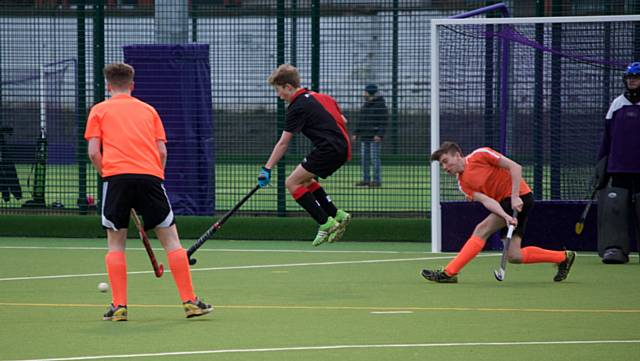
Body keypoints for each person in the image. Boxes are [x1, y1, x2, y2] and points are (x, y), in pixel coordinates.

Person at [84, 62, 212, 321]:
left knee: (116, 244)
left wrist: (107, 175)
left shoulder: (99, 110)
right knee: (172, 241)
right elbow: (162, 151)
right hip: (150, 177)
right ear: (132, 85)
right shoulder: (149, 110)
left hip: (116, 179)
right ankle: (190, 301)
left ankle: (119, 306)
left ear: (108, 85)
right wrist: (156, 177)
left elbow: (93, 152)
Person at [421, 142, 576, 283]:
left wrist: (515, 196)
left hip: (520, 196)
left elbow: (515, 167)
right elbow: (488, 201)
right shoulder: (462, 183)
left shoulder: (480, 155)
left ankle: (449, 273)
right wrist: (506, 216)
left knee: (481, 230)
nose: (445, 167)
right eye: (442, 165)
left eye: (445, 161)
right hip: (505, 204)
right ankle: (563, 257)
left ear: (457, 155)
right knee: (514, 256)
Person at [259, 64, 352, 246]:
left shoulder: (296, 107)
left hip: (329, 149)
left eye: (279, 91)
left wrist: (267, 168)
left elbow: (283, 142)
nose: (279, 96)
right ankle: (337, 214)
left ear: (288, 86)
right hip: (343, 147)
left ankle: (325, 223)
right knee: (306, 181)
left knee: (291, 183)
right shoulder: (321, 97)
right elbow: (343, 120)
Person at [596, 61, 640, 264]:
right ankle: (614, 248)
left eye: (636, 78)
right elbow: (607, 138)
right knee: (615, 207)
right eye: (630, 77)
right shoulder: (617, 104)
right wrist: (602, 165)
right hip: (619, 167)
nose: (632, 81)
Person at [352, 84, 388, 187]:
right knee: (365, 160)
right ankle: (366, 180)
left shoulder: (380, 105)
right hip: (364, 136)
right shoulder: (366, 105)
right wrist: (356, 132)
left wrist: (379, 134)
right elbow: (361, 120)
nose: (364, 93)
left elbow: (383, 121)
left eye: (365, 92)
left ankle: (377, 181)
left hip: (374, 137)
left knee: (374, 159)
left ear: (369, 92)